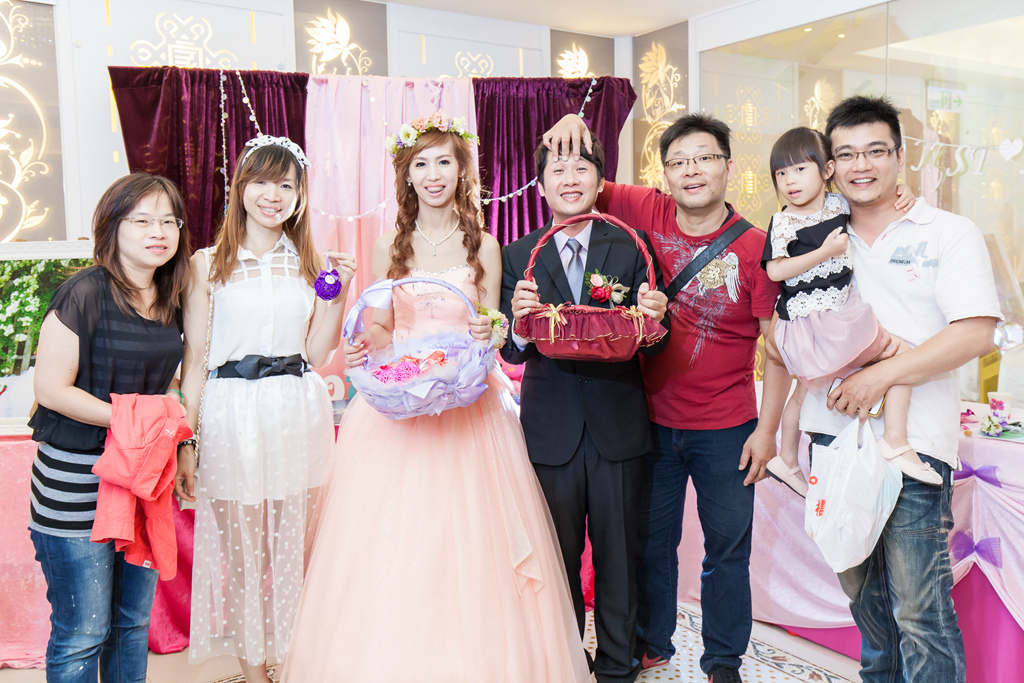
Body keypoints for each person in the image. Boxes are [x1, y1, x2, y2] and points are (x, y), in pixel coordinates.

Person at [281, 113, 590, 682]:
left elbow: (494, 324)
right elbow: (380, 325)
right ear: (407, 175)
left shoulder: (485, 245)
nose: (433, 174)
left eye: (444, 161)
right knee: (392, 540)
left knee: (475, 543)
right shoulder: (388, 246)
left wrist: (489, 330)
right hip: (401, 404)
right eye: (420, 164)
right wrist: (364, 343)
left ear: (460, 170)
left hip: (470, 401)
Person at [544, 112, 791, 683]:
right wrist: (574, 115)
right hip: (649, 421)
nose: (692, 171)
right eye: (679, 162)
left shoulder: (757, 248)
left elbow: (776, 350)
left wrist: (767, 431)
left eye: (704, 158)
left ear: (728, 167)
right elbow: (578, 178)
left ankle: (723, 660)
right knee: (650, 544)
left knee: (726, 551)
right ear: (665, 174)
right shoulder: (645, 208)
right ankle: (652, 642)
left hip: (728, 426)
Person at [801, 95, 1000, 683]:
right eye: (846, 154)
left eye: (875, 151)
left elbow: (975, 333)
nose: (861, 165)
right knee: (865, 604)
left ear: (900, 155)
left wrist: (882, 375)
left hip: (915, 445)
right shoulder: (815, 236)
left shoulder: (947, 232)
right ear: (830, 165)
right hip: (832, 439)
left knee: (919, 610)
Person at [173, 136, 356, 682]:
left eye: (286, 185)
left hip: (296, 411)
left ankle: (293, 663)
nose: (272, 195)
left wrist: (338, 295)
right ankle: (256, 673)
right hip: (231, 414)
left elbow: (317, 352)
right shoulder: (207, 265)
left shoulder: (313, 264)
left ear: (300, 195)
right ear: (240, 188)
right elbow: (195, 360)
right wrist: (188, 441)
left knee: (296, 553)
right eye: (261, 182)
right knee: (245, 558)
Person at [501, 135, 670, 683]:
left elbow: (657, 342)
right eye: (557, 169)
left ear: (600, 181)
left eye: (581, 168)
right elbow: (511, 351)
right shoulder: (518, 254)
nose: (569, 179)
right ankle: (565, 661)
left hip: (617, 426)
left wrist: (654, 316)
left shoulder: (631, 246)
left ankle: (618, 667)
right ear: (541, 185)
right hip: (550, 431)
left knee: (619, 555)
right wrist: (518, 324)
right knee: (558, 556)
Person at [29, 173, 191, 682]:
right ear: (113, 227)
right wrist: (139, 418)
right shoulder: (84, 292)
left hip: (142, 478)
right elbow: (51, 389)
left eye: (168, 221)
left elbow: (167, 381)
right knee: (83, 631)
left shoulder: (170, 297)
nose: (157, 232)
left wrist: (174, 425)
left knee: (130, 625)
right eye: (141, 220)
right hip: (78, 477)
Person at [760, 126, 937, 496]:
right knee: (899, 354)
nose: (790, 180)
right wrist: (825, 252)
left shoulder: (838, 205)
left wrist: (902, 191)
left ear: (826, 170)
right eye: (781, 173)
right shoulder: (785, 221)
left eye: (799, 169)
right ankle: (895, 439)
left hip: (827, 316)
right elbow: (775, 271)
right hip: (815, 321)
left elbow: (873, 199)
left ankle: (787, 459)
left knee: (802, 392)